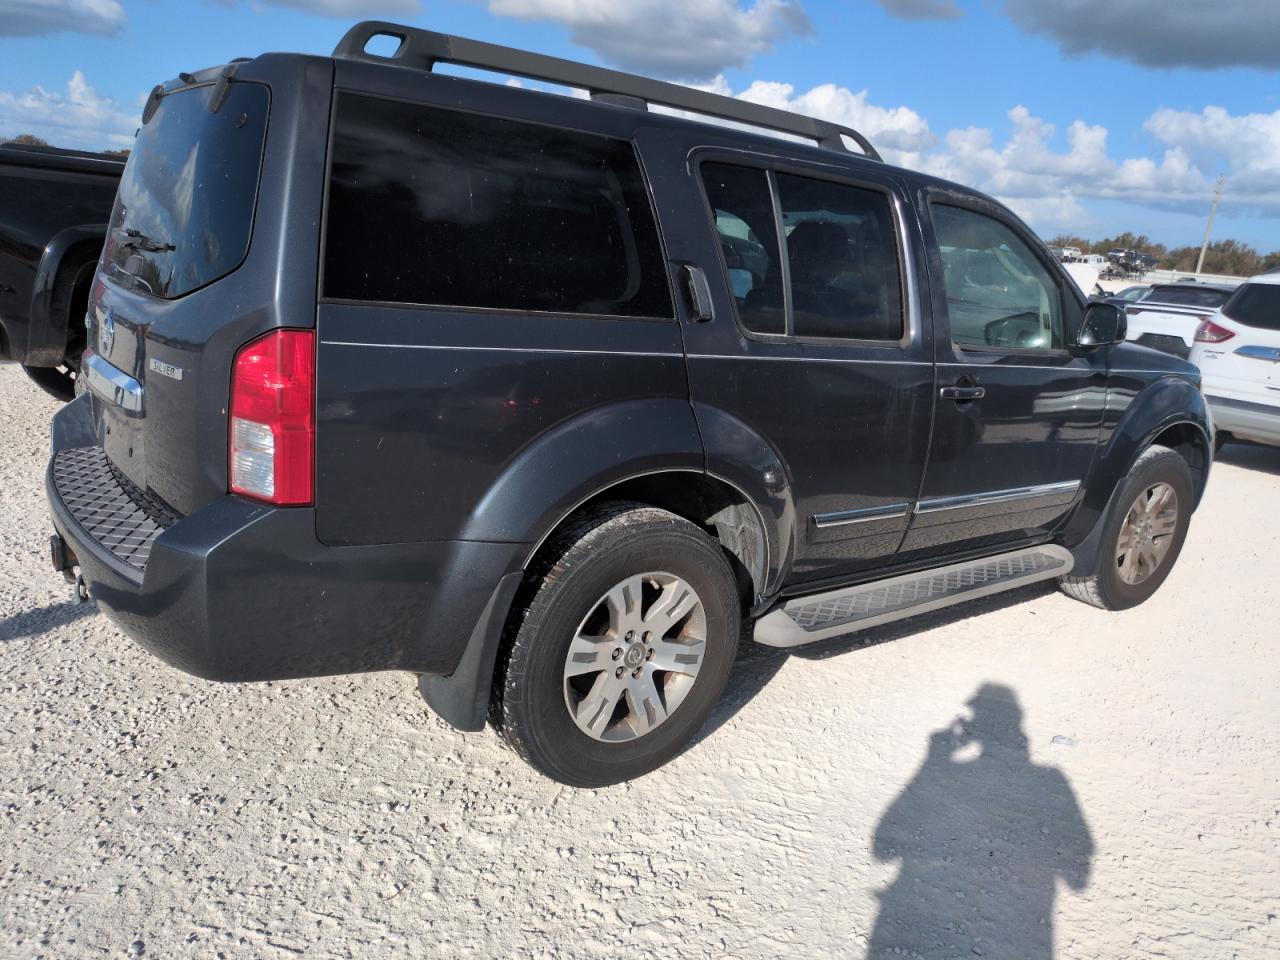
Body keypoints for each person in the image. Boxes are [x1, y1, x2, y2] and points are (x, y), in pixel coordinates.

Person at [868, 683, 1093, 959]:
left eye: (977, 716)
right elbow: (1079, 877)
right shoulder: (1050, 778)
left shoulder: (952, 774)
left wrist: (934, 760)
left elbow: (882, 848)